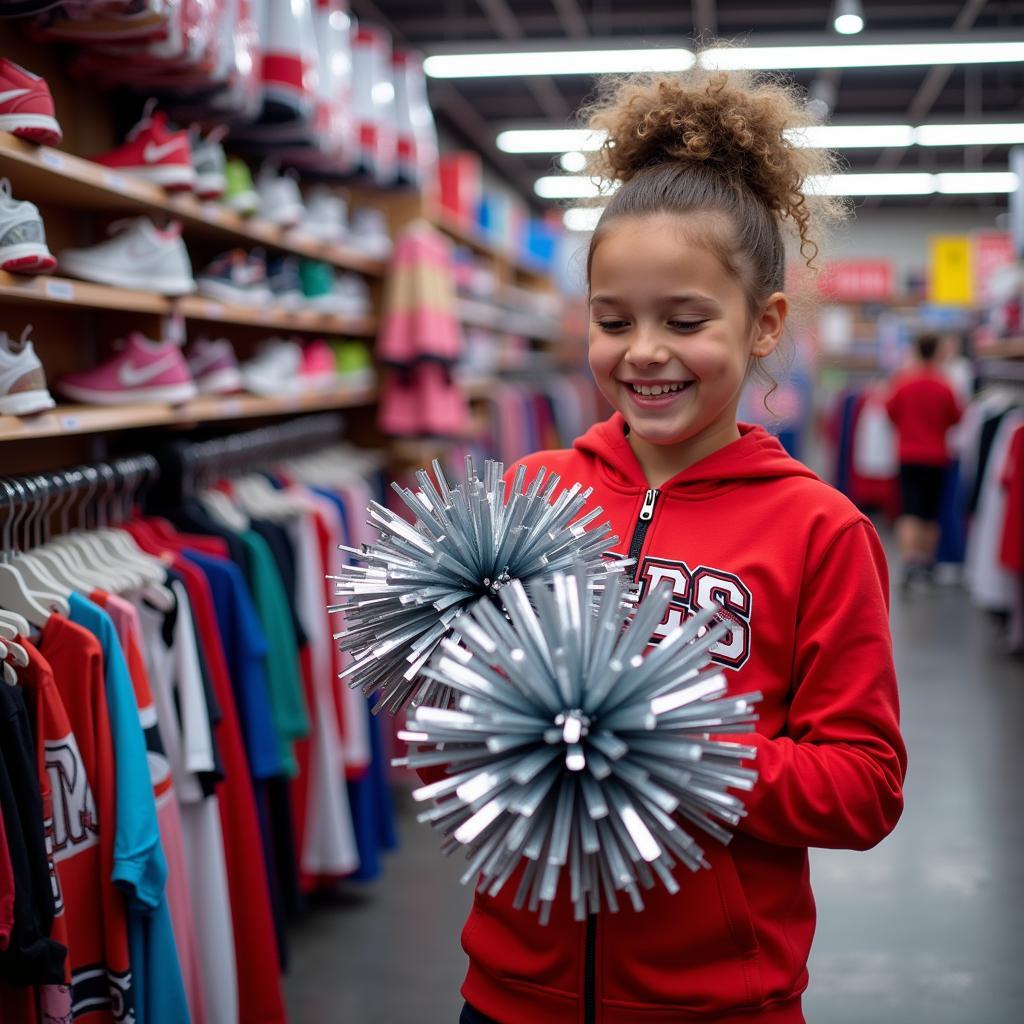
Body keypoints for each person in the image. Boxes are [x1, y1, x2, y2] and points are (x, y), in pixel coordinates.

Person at [452, 66, 907, 1024]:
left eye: (686, 321)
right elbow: (456, 740)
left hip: (717, 1002)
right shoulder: (533, 491)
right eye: (612, 321)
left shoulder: (819, 531)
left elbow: (864, 787)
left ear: (763, 326)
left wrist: (675, 749)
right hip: (508, 991)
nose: (644, 351)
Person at [884, 332, 963, 590]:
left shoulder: (903, 382)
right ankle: (927, 567)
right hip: (937, 457)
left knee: (910, 510)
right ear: (937, 351)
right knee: (930, 514)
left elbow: (890, 411)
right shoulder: (944, 385)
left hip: (908, 455)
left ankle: (909, 564)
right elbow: (956, 417)